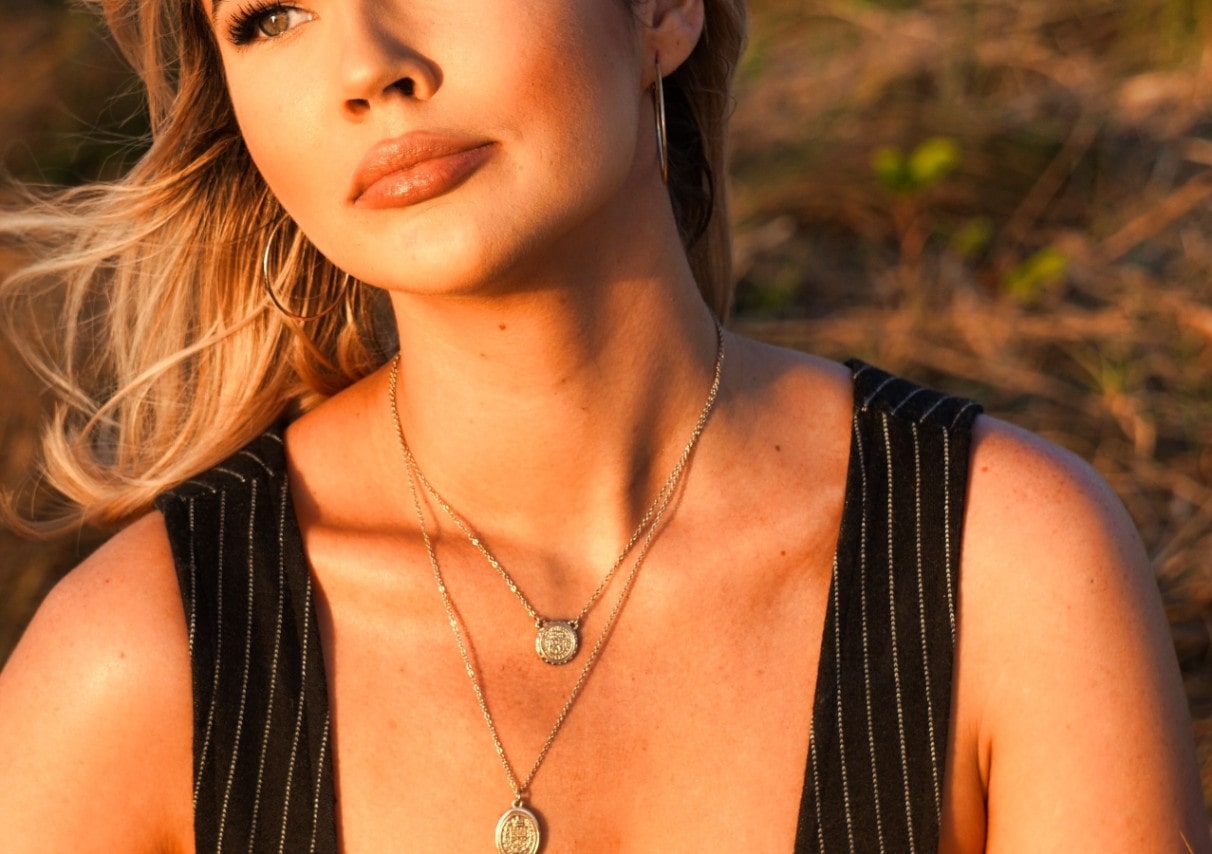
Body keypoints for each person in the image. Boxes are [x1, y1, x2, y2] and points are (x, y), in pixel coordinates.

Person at [0, 0, 1206, 851]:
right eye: (270, 15)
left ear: (661, 8)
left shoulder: (1002, 565)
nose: (367, 62)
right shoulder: (135, 667)